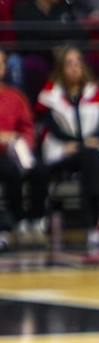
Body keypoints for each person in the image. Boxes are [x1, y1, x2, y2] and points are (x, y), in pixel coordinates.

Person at [35, 44, 99, 250]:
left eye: (78, 63)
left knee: (90, 158)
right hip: (63, 153)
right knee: (91, 156)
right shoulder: (50, 96)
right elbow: (53, 129)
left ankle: (95, 225)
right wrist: (80, 144)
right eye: (69, 64)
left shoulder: (95, 92)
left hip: (89, 152)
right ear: (61, 68)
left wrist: (91, 141)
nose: (75, 67)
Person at [0, 42, 45, 249]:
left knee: (40, 169)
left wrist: (22, 142)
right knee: (9, 171)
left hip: (15, 151)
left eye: (1, 63)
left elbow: (28, 127)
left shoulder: (16, 96)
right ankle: (15, 221)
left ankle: (35, 221)